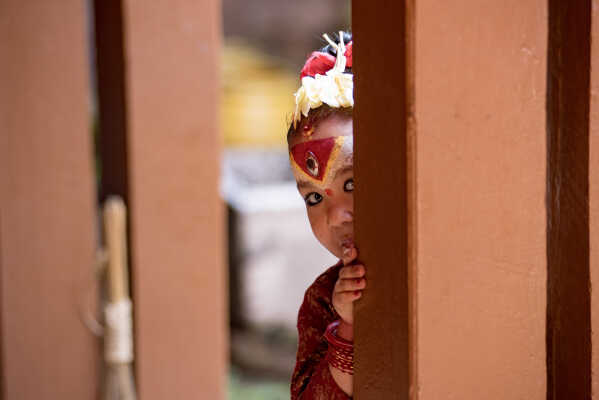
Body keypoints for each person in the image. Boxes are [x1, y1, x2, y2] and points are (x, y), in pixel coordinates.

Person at [287, 31, 366, 399]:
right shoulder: (322, 300)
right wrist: (348, 325)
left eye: (351, 185)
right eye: (314, 197)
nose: (335, 217)